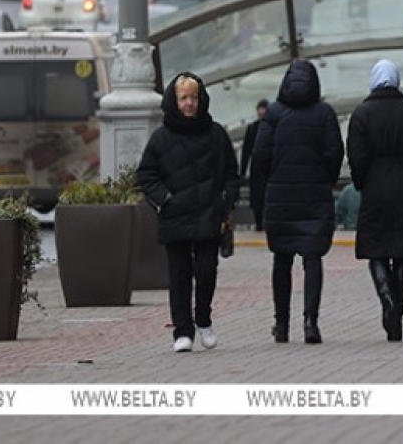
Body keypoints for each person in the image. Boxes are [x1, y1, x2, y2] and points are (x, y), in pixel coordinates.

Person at [136, 72, 241, 354]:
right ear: (174, 100)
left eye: (194, 97)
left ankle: (204, 319)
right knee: (179, 276)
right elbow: (146, 175)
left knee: (207, 272)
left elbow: (232, 173)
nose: (189, 103)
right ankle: (183, 330)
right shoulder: (161, 138)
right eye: (184, 98)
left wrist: (225, 201)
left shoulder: (216, 133)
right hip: (176, 216)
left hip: (209, 214)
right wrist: (165, 200)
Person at [251, 60, 343, 346]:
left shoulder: (274, 113)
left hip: (281, 196)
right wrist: (323, 181)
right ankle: (311, 322)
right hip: (314, 196)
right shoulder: (324, 113)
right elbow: (334, 154)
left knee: (282, 258)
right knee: (312, 259)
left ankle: (281, 324)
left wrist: (269, 187)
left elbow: (260, 156)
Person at [348, 60, 403, 342]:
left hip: (376, 187)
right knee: (402, 252)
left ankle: (386, 301)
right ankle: (397, 311)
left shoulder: (361, 114)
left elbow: (356, 157)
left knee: (376, 251)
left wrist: (363, 183)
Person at [240, 99, 269, 230]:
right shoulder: (253, 128)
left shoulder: (257, 128)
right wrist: (242, 171)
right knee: (258, 198)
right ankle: (259, 224)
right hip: (259, 169)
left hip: (265, 169)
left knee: (263, 197)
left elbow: (246, 152)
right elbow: (246, 151)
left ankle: (262, 224)